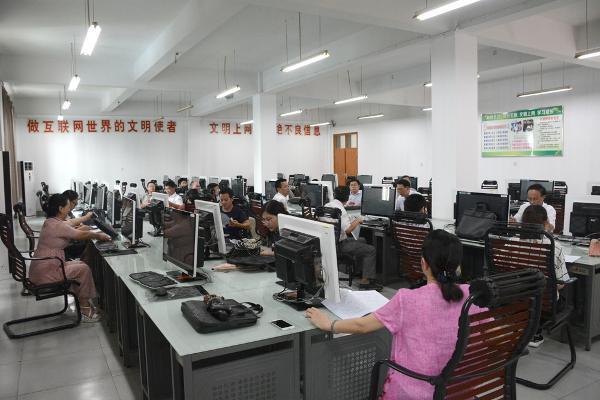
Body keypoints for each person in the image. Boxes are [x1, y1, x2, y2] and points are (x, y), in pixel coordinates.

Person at [306, 229, 485, 399]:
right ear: (457, 266)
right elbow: (492, 334)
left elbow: (362, 325)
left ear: (423, 263)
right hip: (461, 391)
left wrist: (329, 324)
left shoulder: (407, 299)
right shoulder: (472, 296)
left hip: (413, 393)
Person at [29, 193, 112, 322]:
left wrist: (84, 228)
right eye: (68, 206)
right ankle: (85, 309)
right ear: (60, 208)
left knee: (81, 265)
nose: (70, 209)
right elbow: (79, 235)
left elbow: (70, 226)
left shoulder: (51, 221)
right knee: (83, 269)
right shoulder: (57, 225)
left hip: (46, 267)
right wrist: (98, 235)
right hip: (47, 272)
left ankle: (82, 300)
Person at [521, 204, 570, 348]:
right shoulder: (554, 246)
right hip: (545, 304)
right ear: (544, 223)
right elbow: (561, 283)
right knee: (563, 287)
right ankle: (536, 329)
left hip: (516, 299)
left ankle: (526, 326)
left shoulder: (509, 244)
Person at [325, 186, 380, 290]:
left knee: (362, 240)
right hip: (340, 246)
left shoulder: (327, 205)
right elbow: (347, 230)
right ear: (347, 197)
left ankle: (359, 271)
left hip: (330, 242)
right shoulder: (340, 209)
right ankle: (365, 281)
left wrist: (351, 220)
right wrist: (358, 220)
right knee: (371, 250)